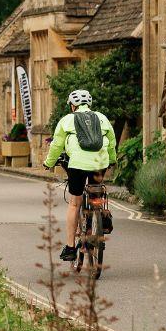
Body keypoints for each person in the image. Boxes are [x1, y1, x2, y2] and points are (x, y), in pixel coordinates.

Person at [43, 90, 116, 262]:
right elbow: (111, 143)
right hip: (100, 162)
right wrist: (111, 160)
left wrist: (49, 162)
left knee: (75, 203)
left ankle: (70, 248)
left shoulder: (67, 119)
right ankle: (101, 215)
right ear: (89, 105)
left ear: (72, 105)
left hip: (76, 164)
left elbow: (56, 145)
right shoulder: (102, 118)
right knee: (95, 193)